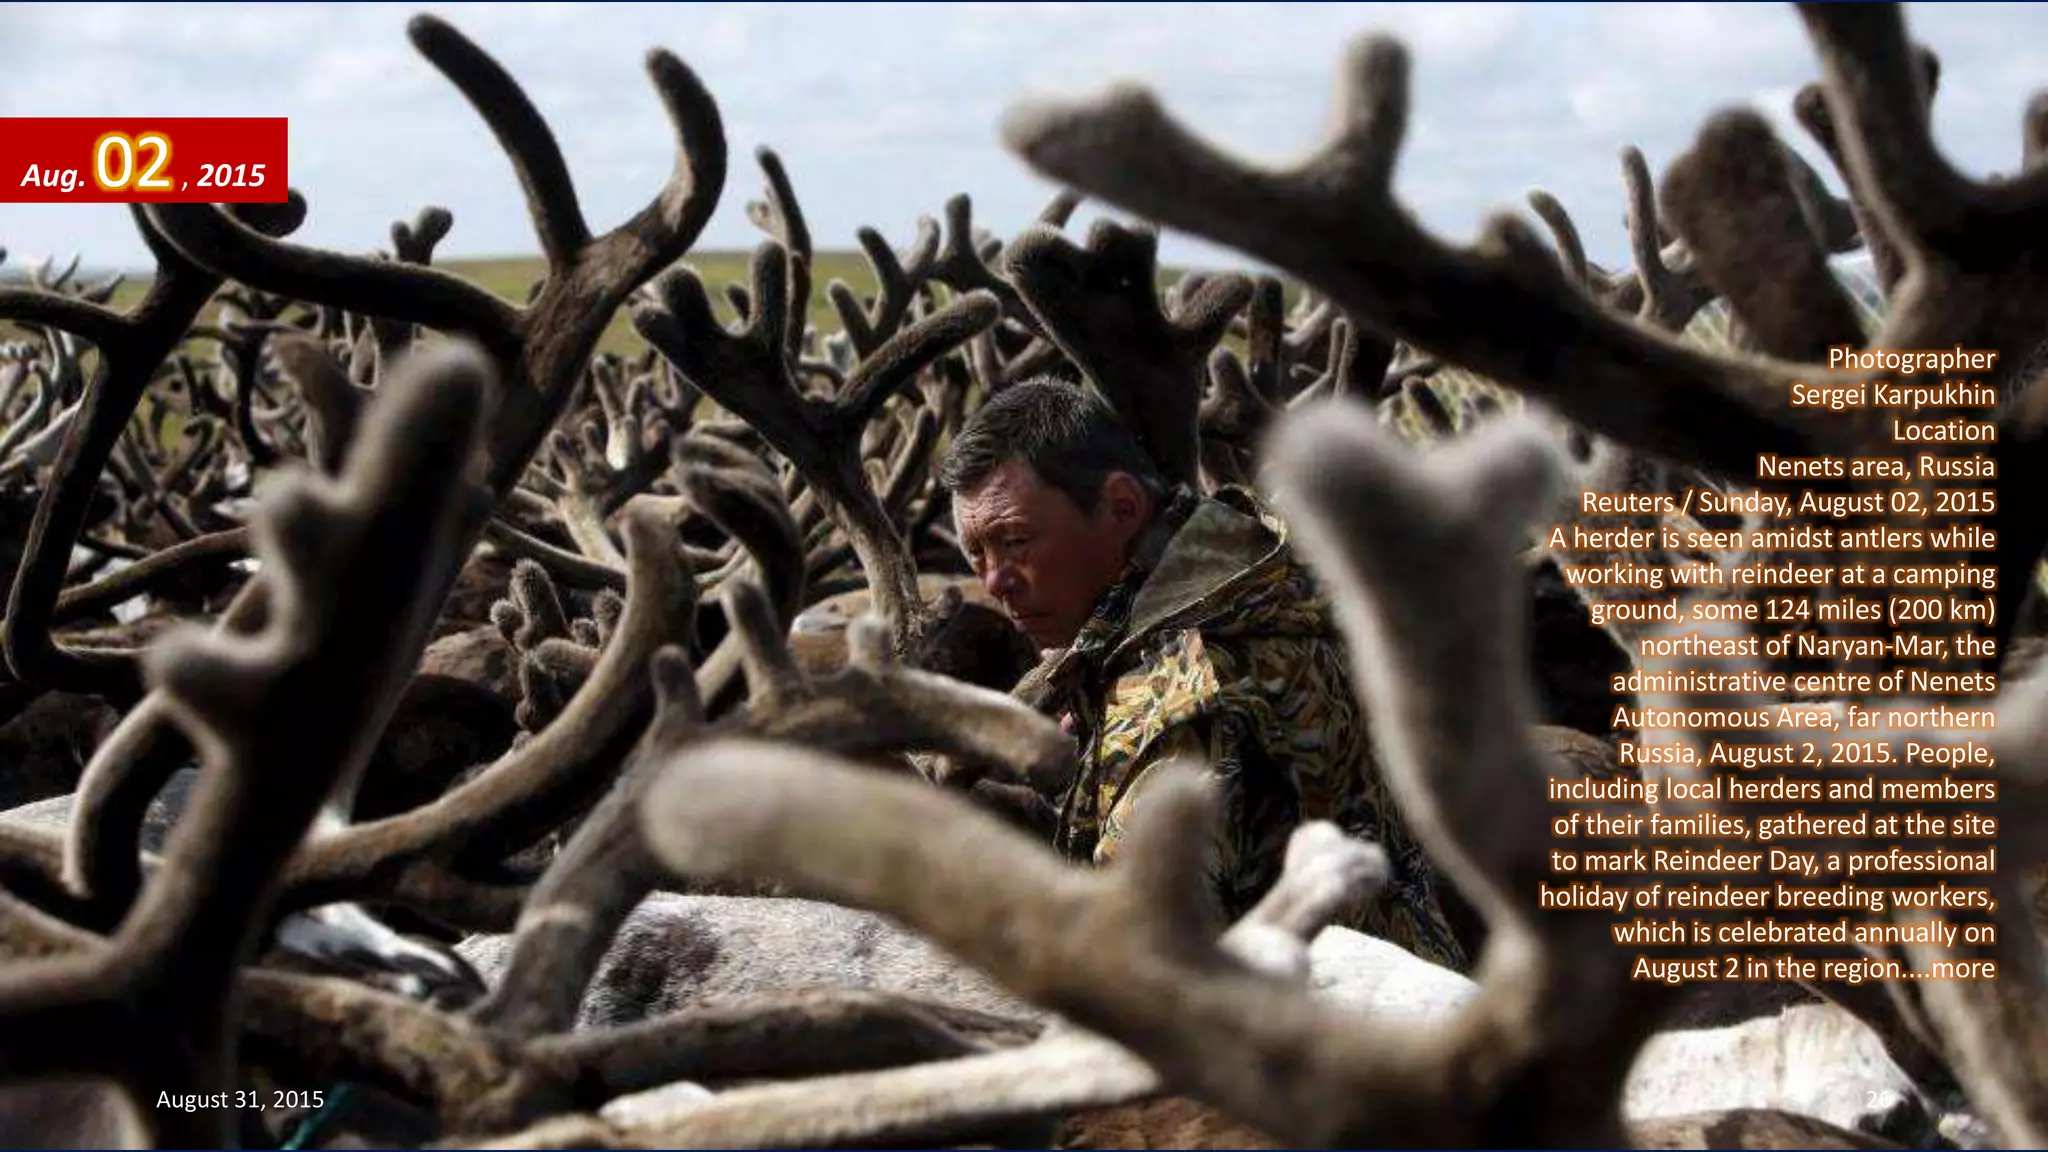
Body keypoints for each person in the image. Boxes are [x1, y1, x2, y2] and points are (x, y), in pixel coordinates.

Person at [937, 378, 1468, 970]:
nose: (994, 580)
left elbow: (1137, 961)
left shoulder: (1183, 696)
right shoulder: (1255, 580)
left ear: (1120, 507)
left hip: (1333, 1040)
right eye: (976, 554)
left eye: (1015, 540)